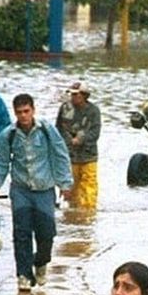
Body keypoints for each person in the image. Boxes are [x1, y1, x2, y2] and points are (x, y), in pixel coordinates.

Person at [0, 93, 73, 291]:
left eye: (26, 111)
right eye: (19, 113)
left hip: (44, 189)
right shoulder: (8, 134)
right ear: (15, 113)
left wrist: (65, 183)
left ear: (33, 110)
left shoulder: (47, 130)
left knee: (47, 232)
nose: (23, 116)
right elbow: (0, 162)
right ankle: (23, 275)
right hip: (21, 189)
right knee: (22, 232)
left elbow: (60, 154)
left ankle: (41, 263)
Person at [55, 81, 102, 210]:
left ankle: (88, 215)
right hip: (69, 156)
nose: (73, 97)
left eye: (77, 95)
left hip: (88, 156)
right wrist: (68, 141)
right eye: (72, 94)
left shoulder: (93, 111)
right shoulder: (65, 108)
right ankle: (73, 217)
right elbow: (58, 129)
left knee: (89, 190)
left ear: (84, 96)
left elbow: (95, 133)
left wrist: (80, 139)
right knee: (71, 190)